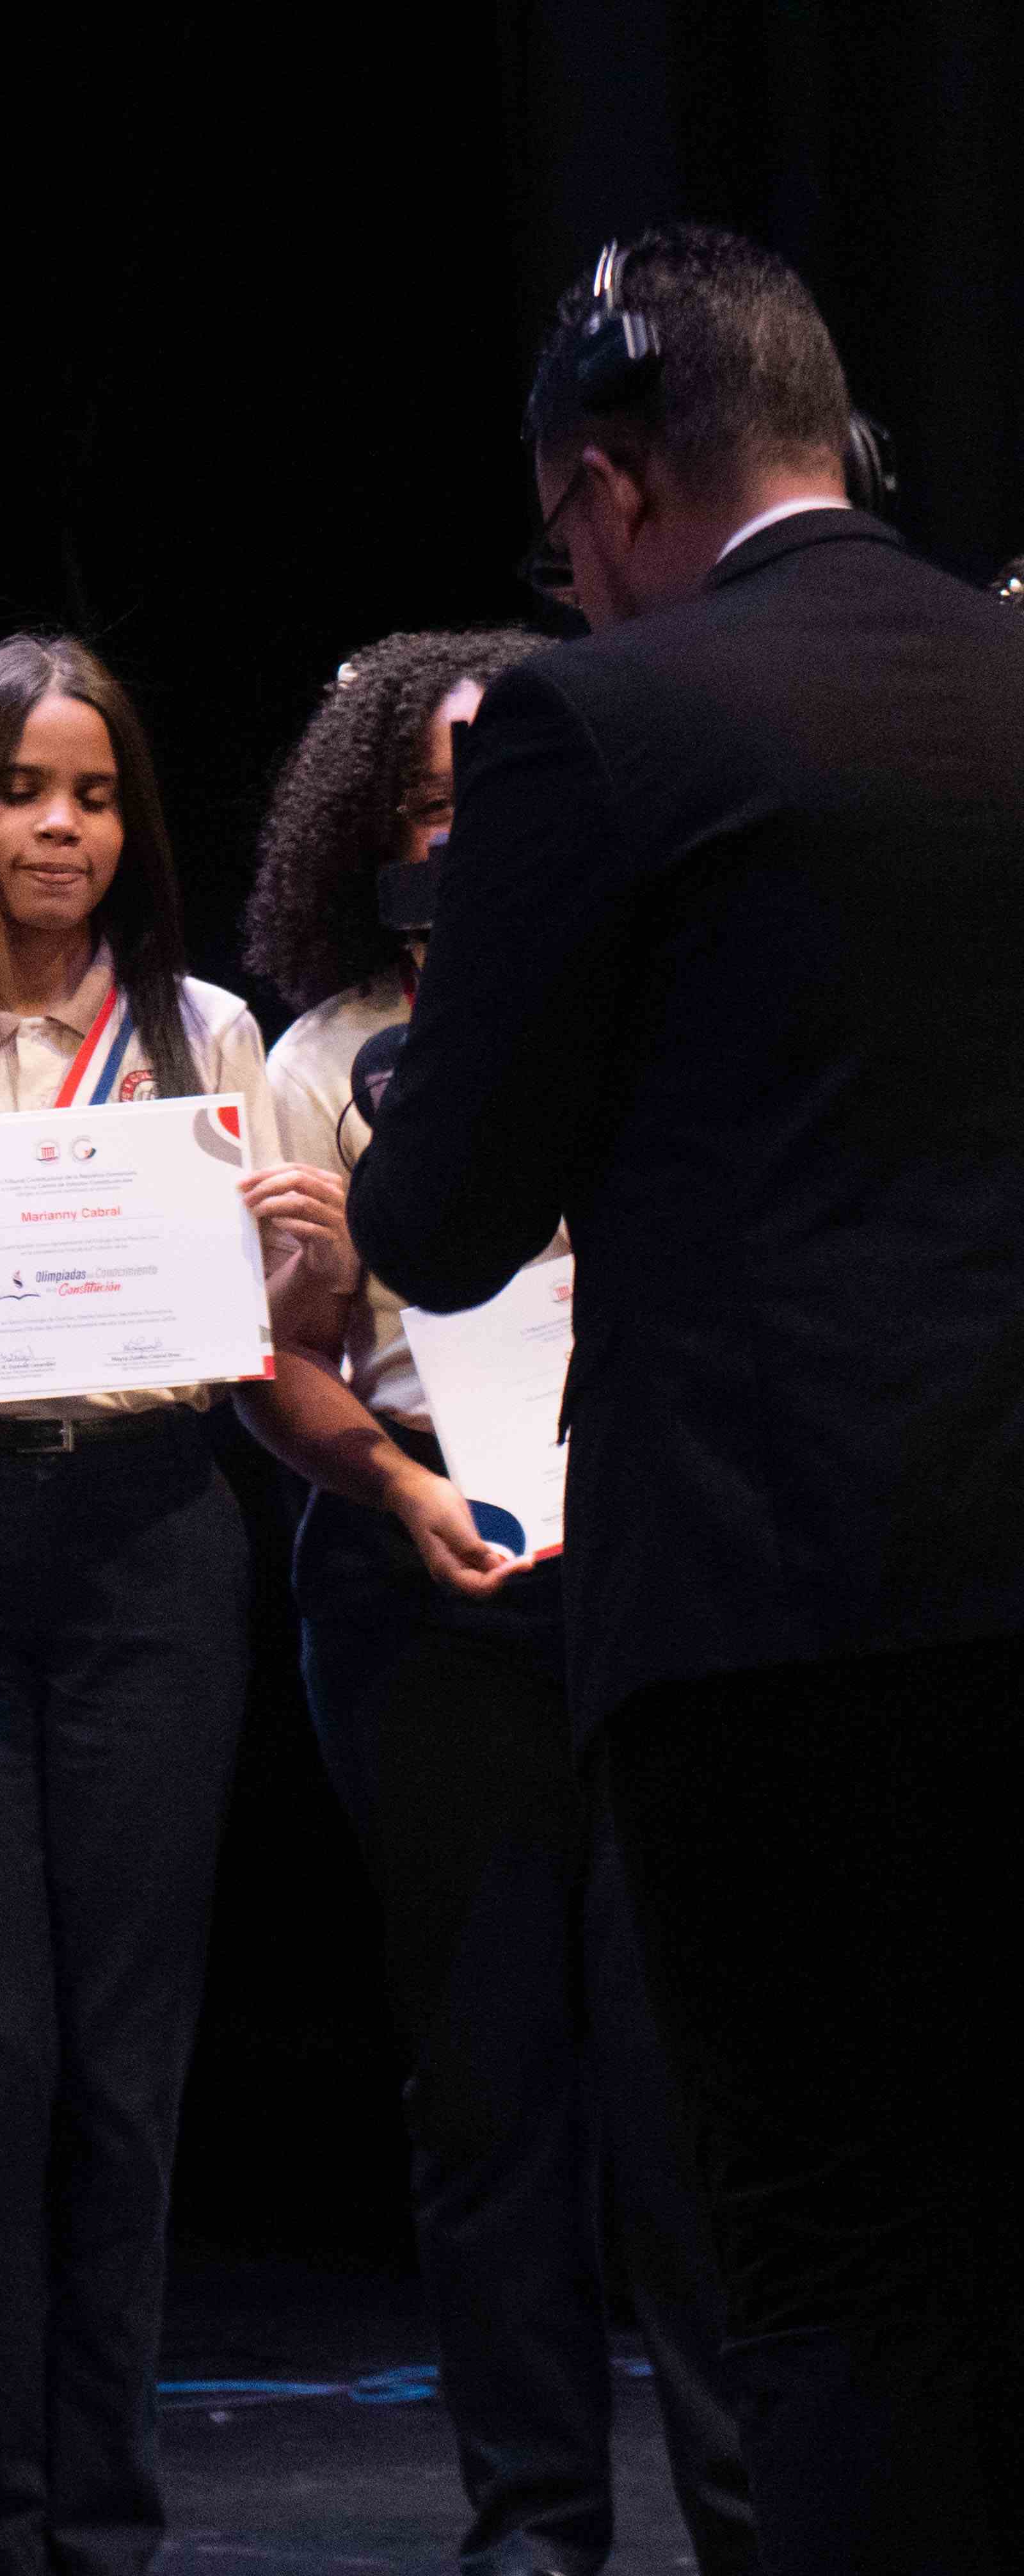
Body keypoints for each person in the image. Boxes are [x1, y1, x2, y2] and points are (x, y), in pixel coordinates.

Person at [351, 226, 1024, 2573]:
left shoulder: (597, 721)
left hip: (772, 1611)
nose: (574, 585)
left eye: (563, 545)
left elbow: (436, 1219)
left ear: (611, 485)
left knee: (826, 2264)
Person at [0, 636, 333, 2576]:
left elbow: (279, 1348)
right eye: (26, 790)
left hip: (150, 1542)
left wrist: (308, 1263)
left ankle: (106, 2524)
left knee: (122, 2058)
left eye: (95, 794)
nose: (61, 829)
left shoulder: (211, 1042)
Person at [239, 629, 755, 2576]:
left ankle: (744, 2517)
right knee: (487, 2090)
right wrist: (387, 1477)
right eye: (426, 807)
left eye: (493, 799)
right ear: (368, 837)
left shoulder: (667, 1000)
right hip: (417, 1589)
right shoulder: (314, 1061)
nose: (460, 838)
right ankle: (534, 2530)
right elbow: (275, 1369)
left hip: (659, 1582)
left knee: (685, 2081)